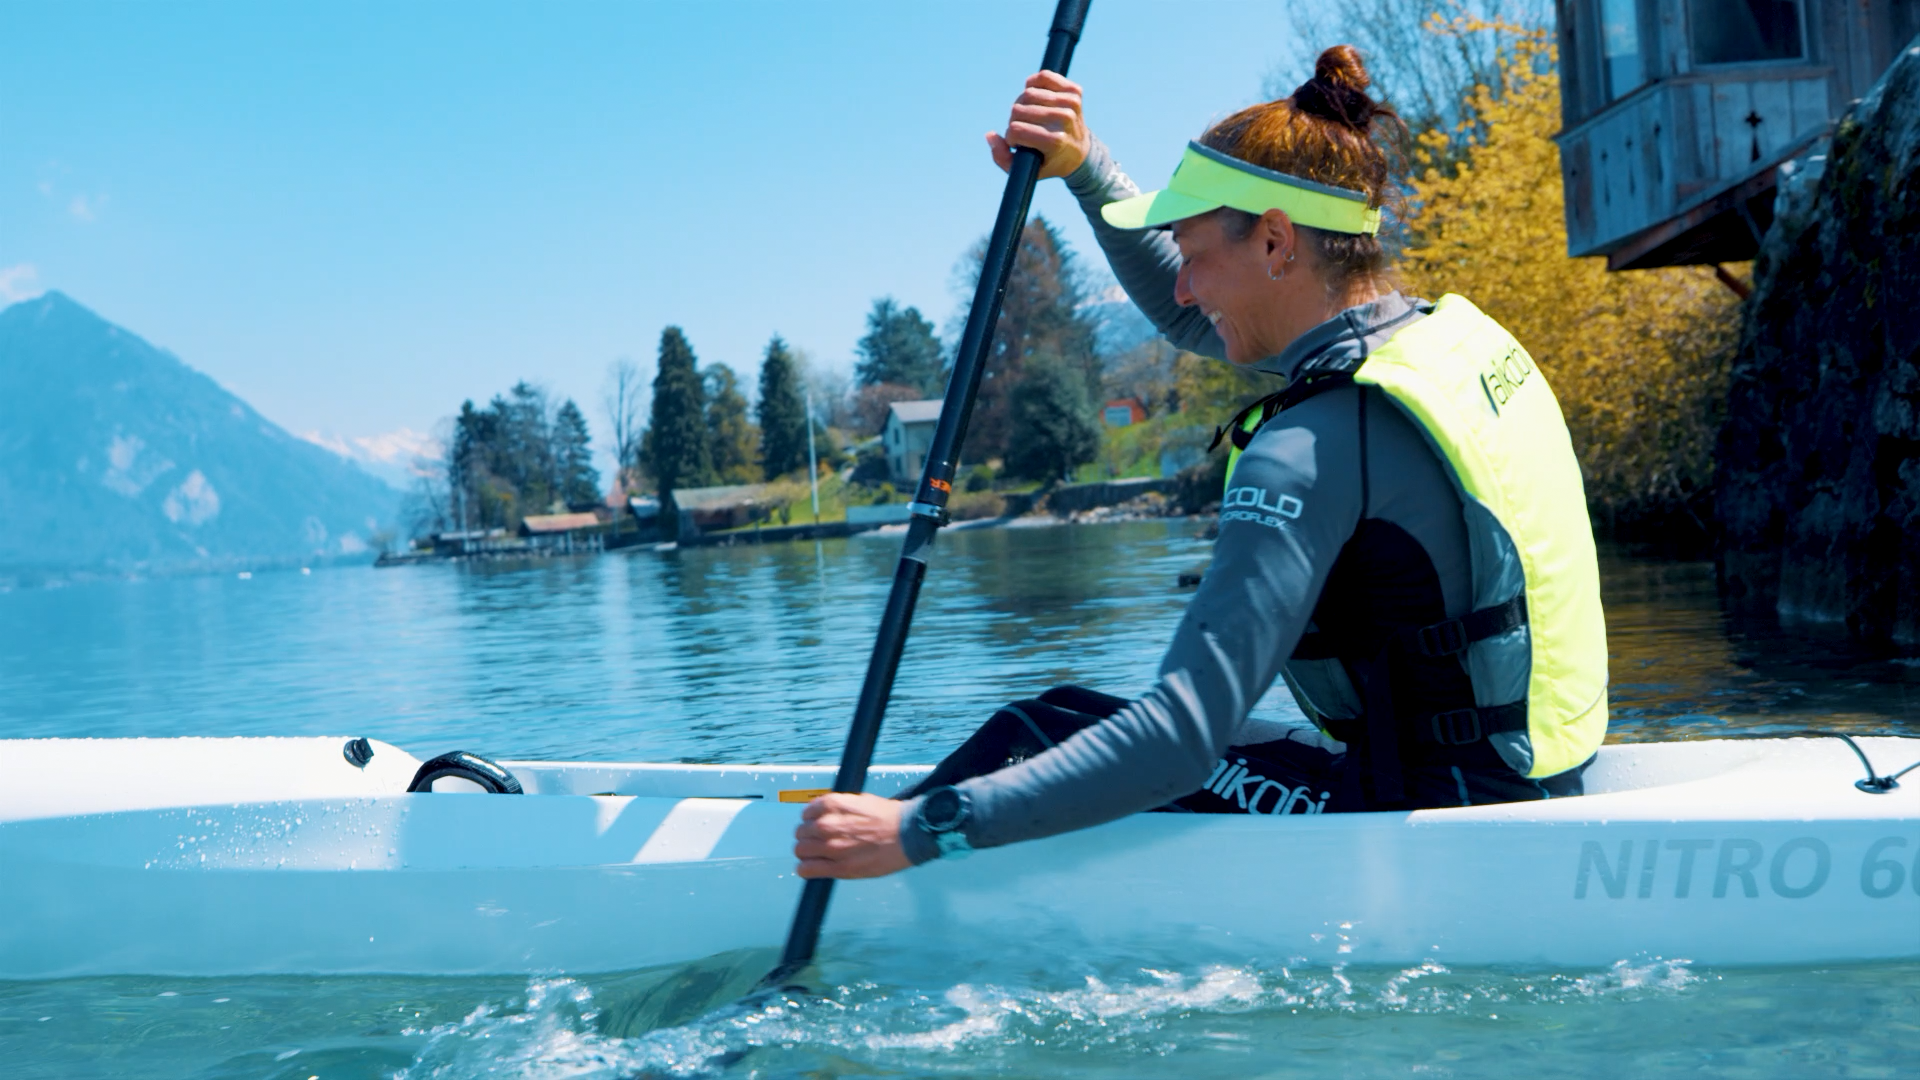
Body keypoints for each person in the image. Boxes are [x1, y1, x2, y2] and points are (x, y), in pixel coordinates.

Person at [793, 46, 1609, 881]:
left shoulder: (1305, 450)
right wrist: (1086, 168)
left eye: (1192, 254)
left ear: (1277, 241)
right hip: (1529, 782)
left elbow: (1178, 743)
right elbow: (1197, 326)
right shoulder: (1449, 346)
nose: (1182, 288)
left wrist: (919, 831)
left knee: (1032, 734)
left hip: (1424, 820)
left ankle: (865, 860)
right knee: (1063, 717)